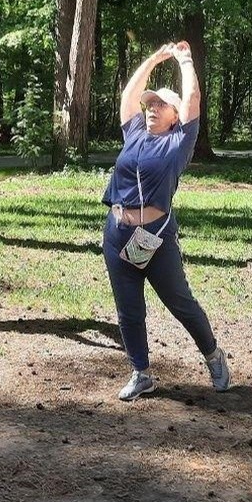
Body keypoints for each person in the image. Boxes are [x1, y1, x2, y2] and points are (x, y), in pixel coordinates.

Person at [101, 40, 231, 400]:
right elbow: (129, 94)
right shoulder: (134, 134)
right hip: (117, 233)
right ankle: (141, 372)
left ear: (175, 116)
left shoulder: (178, 144)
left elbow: (192, 101)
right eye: (152, 103)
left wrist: (184, 60)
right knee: (128, 309)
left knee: (180, 303)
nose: (153, 108)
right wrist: (154, 58)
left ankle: (213, 355)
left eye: (162, 104)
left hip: (154, 238)